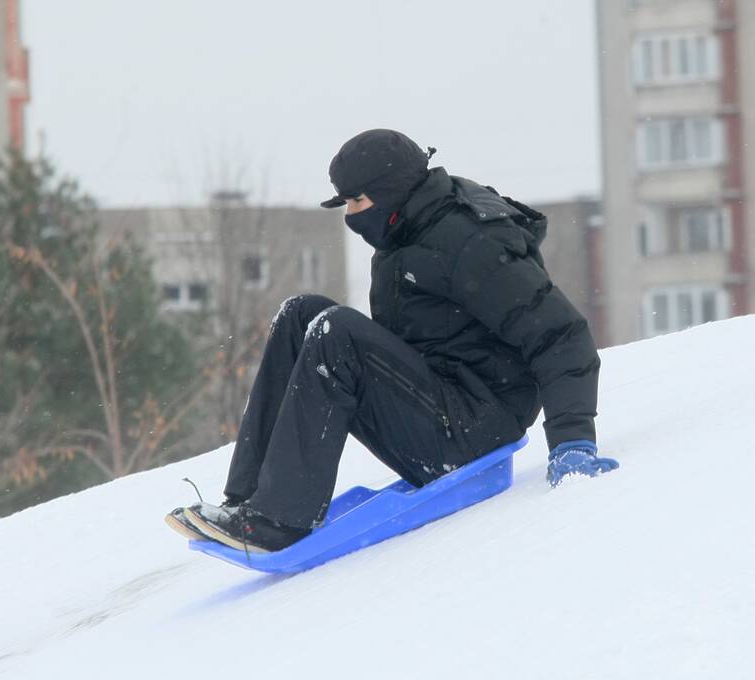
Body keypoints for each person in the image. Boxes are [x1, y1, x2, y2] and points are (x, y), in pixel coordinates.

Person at [167, 129, 618, 553]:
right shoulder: (405, 231)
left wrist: (572, 441)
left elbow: (562, 333)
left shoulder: (469, 241)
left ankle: (279, 521)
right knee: (301, 315)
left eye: (357, 200)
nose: (350, 215)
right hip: (439, 401)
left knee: (335, 330)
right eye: (343, 202)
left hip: (475, 428)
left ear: (389, 192)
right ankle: (248, 501)